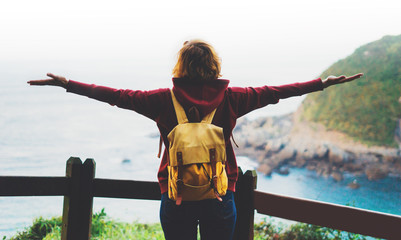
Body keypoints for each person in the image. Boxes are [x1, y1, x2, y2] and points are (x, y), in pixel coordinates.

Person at [28, 39, 363, 240]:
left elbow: (117, 95)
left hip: (175, 196)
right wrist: (320, 84)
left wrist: (69, 83)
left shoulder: (161, 99)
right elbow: (275, 93)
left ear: (180, 66)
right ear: (215, 66)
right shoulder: (234, 98)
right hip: (220, 195)